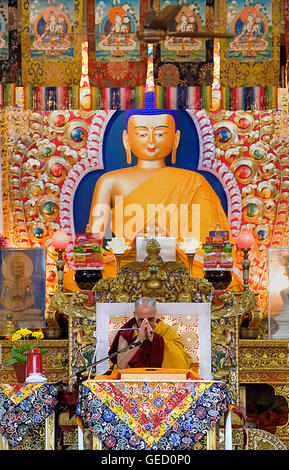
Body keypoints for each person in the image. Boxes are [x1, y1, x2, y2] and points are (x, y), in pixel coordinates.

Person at [88, 92, 233, 279]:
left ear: (176, 138)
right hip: (127, 267)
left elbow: (211, 246)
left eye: (160, 133)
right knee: (78, 280)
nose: (150, 141)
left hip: (180, 267)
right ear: (126, 139)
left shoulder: (194, 182)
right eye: (141, 133)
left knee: (219, 279)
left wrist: (171, 241)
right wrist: (133, 244)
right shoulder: (110, 181)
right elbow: (92, 244)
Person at [108, 296, 197, 371]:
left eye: (150, 319)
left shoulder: (165, 330)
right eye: (141, 320)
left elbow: (182, 361)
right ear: (135, 315)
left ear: (156, 314)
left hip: (162, 380)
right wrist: (139, 340)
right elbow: (121, 365)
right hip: (132, 380)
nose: (146, 323)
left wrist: (155, 339)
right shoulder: (128, 333)